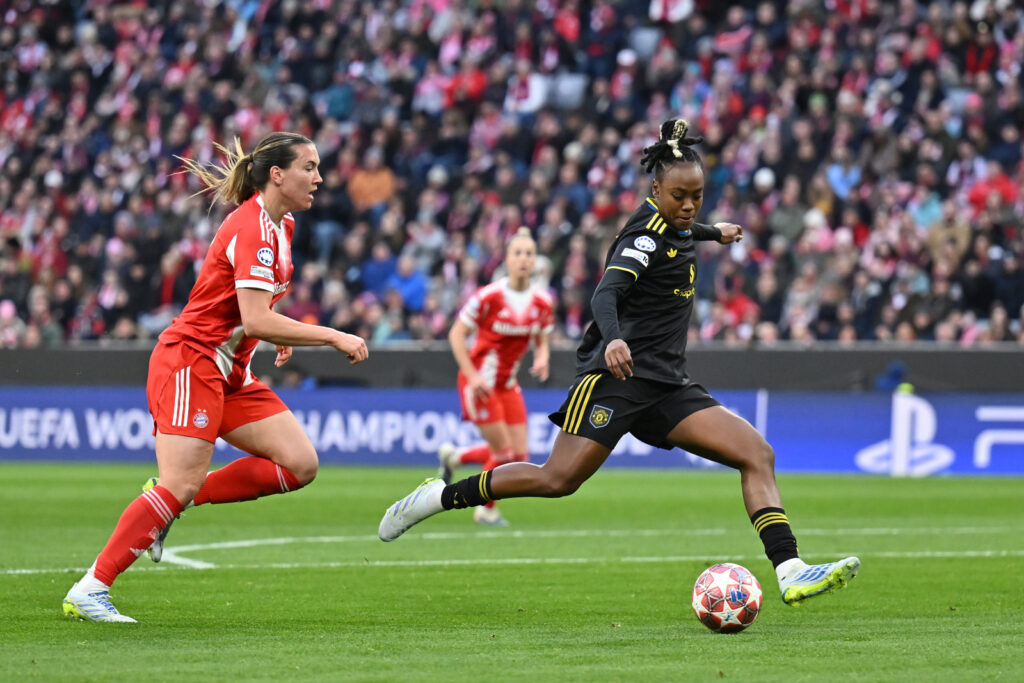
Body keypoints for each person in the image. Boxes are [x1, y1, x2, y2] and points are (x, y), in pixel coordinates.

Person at [378, 119, 860, 606]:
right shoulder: (644, 240)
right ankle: (437, 498)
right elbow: (606, 293)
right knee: (557, 480)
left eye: (697, 195)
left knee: (756, 453)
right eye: (679, 196)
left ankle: (790, 569)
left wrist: (717, 232)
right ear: (656, 190)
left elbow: (688, 230)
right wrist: (612, 341)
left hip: (667, 385)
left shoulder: (682, 225)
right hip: (617, 379)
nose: (689, 205)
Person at [62, 133, 369, 623]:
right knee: (178, 483)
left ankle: (169, 504)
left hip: (230, 371)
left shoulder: (283, 224)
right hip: (192, 362)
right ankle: (91, 588)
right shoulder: (251, 227)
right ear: (277, 174)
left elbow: (256, 308)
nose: (319, 178)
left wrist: (273, 329)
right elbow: (253, 316)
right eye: (309, 167)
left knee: (299, 463)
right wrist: (330, 335)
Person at [436, 227, 553, 526]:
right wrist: (473, 377)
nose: (524, 259)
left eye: (529, 253)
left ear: (536, 260)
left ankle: (456, 458)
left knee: (520, 456)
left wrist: (542, 358)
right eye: (518, 253)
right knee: (503, 454)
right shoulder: (488, 296)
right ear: (507, 259)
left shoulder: (542, 302)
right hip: (480, 384)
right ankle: (484, 509)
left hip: (508, 384)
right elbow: (456, 334)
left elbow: (541, 339)